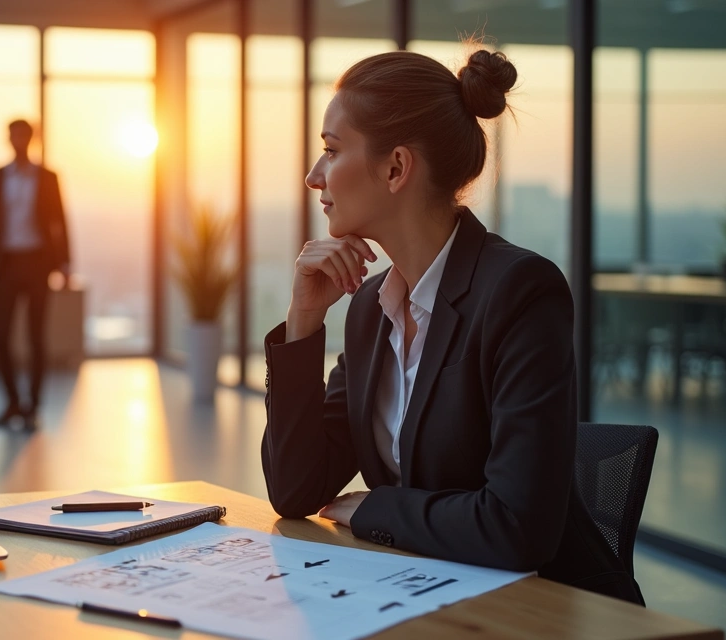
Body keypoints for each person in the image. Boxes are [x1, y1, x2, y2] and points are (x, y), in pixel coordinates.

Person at [260, 48, 644, 604]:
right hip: (427, 595)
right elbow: (296, 489)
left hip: (549, 610)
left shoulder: (519, 291)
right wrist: (303, 321)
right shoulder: (371, 308)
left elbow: (517, 527)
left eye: (331, 150)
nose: (313, 174)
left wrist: (378, 507)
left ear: (395, 167)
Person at [0, 120, 71, 429]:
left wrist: (66, 264)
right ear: (8, 139)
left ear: (31, 139)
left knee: (36, 336)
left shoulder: (47, 177)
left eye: (23, 135)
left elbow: (60, 221)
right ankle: (12, 402)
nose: (18, 140)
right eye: (14, 135)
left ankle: (33, 407)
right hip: (6, 264)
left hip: (39, 263)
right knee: (0, 335)